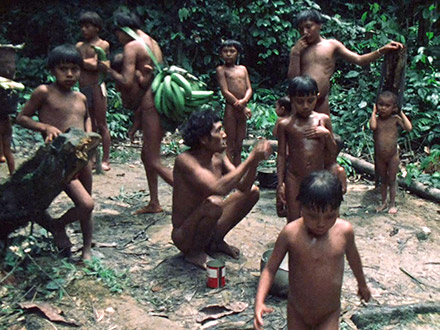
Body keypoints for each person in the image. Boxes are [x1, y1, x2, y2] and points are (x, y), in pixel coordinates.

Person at [254, 170, 371, 330]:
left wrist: (362, 284)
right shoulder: (291, 233)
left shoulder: (344, 232)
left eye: (330, 216)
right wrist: (259, 301)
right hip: (297, 314)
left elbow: (354, 259)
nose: (321, 223)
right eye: (313, 216)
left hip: (329, 314)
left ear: (338, 208)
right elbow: (270, 269)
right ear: (301, 207)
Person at [16, 44, 94, 260]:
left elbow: (87, 117)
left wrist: (90, 136)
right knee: (85, 203)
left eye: (74, 69)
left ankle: (87, 248)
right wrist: (45, 127)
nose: (70, 74)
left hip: (82, 158)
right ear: (52, 70)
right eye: (63, 69)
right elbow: (22, 117)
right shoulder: (44, 92)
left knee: (87, 206)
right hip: (58, 160)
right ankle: (57, 226)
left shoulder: (80, 97)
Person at [171, 110, 272, 269]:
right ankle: (194, 253)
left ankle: (215, 242)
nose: (224, 134)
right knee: (214, 203)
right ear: (204, 139)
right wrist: (251, 157)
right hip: (185, 235)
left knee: (253, 191)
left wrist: (255, 162)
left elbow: (243, 186)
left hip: (209, 221)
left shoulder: (218, 156)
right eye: (219, 130)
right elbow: (218, 188)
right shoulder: (185, 161)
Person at [102, 11, 173, 214]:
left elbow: (126, 80)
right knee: (146, 155)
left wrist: (108, 71)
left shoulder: (132, 45)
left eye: (117, 34)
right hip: (156, 97)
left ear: (123, 30)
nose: (118, 39)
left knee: (153, 159)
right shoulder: (152, 42)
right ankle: (154, 202)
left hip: (152, 102)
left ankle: (192, 196)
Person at [288, 9, 404, 116]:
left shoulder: (331, 45)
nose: (305, 32)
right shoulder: (298, 49)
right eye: (301, 29)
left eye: (309, 27)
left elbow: (359, 60)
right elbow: (293, 80)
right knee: (298, 133)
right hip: (300, 100)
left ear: (319, 25)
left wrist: (382, 50)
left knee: (323, 133)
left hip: (321, 100)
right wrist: (295, 53)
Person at [277, 76, 336, 222]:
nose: (305, 106)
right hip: (294, 177)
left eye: (310, 100)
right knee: (293, 217)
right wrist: (280, 183)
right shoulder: (285, 124)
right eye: (299, 101)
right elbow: (281, 155)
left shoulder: (323, 120)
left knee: (316, 215)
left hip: (317, 177)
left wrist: (327, 135)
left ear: (317, 97)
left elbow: (333, 152)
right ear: (291, 99)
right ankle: (293, 243)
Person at [76, 11, 111, 171]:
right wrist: (89, 63)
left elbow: (102, 66)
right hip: (83, 87)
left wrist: (87, 63)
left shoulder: (103, 45)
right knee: (89, 124)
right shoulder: (79, 46)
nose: (84, 29)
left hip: (97, 86)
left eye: (87, 26)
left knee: (101, 123)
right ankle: (91, 157)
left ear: (96, 28)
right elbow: (82, 65)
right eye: (82, 26)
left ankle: (105, 159)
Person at [370, 91, 412, 214]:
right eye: (380, 104)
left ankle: (392, 204)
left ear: (393, 107)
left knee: (392, 180)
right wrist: (373, 112)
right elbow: (372, 127)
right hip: (380, 157)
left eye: (387, 106)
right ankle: (383, 202)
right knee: (384, 180)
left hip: (393, 156)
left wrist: (401, 113)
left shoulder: (395, 119)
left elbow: (409, 128)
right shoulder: (377, 120)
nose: (383, 108)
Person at [216, 39, 252, 167]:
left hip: (242, 108)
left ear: (238, 53)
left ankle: (237, 171)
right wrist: (241, 105)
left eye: (232, 51)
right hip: (231, 109)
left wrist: (244, 101)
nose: (229, 54)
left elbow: (249, 88)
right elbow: (225, 91)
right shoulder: (221, 70)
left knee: (239, 144)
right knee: (230, 144)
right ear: (221, 54)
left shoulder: (243, 69)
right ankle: (228, 172)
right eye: (225, 51)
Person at [273, 96, 291, 218]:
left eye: (276, 107)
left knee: (282, 182)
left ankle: (280, 206)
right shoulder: (293, 119)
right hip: (292, 155)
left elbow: (275, 134)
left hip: (284, 152)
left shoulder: (281, 121)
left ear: (283, 109)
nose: (275, 109)